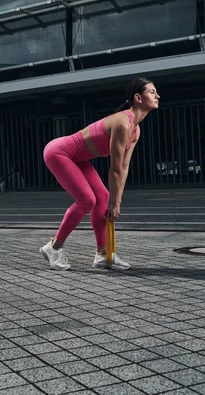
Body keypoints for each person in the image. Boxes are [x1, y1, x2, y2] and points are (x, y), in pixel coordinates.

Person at [40, 77, 160, 270]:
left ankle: (102, 254)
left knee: (103, 196)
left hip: (76, 158)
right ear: (138, 97)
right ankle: (53, 247)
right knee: (87, 199)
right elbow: (113, 170)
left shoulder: (135, 131)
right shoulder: (123, 124)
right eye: (152, 92)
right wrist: (115, 203)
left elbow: (123, 168)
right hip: (58, 152)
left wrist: (116, 202)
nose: (158, 96)